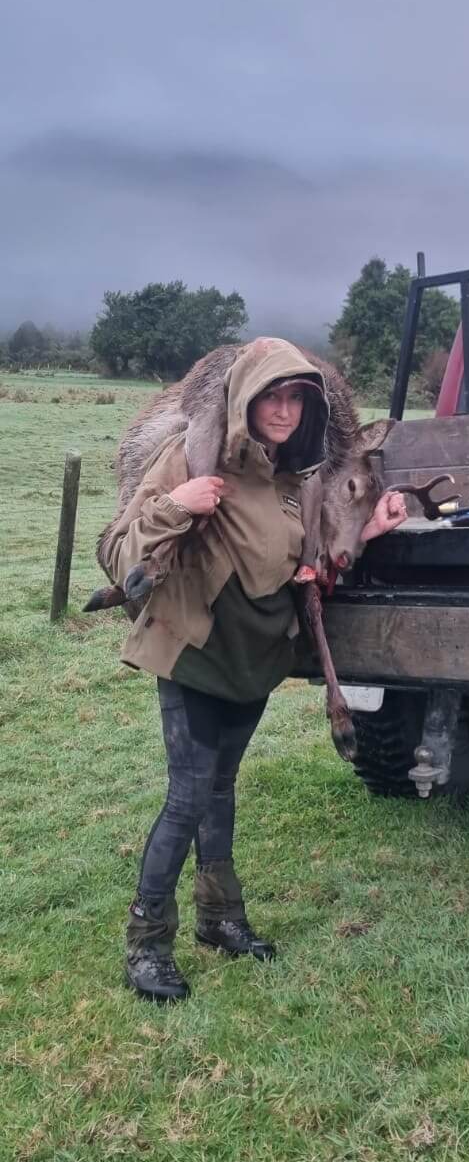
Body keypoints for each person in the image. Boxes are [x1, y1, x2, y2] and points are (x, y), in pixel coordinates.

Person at [103, 338, 407, 1003]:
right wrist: (177, 503)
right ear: (243, 396)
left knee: (220, 791)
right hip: (195, 652)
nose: (284, 409)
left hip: (254, 657)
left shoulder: (294, 476)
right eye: (272, 394)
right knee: (187, 796)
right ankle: (147, 943)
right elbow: (116, 549)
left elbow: (313, 548)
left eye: (296, 397)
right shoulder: (190, 458)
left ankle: (220, 920)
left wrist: (374, 522)